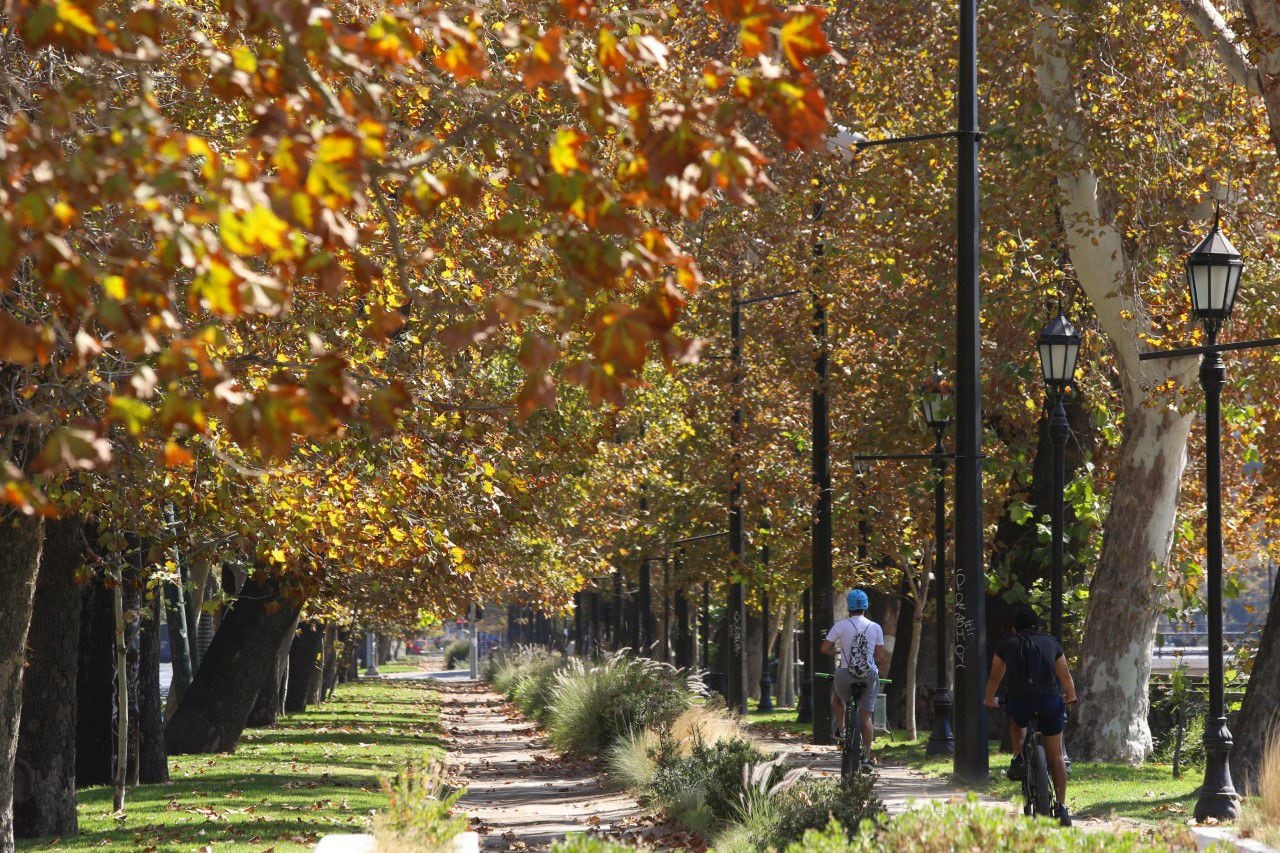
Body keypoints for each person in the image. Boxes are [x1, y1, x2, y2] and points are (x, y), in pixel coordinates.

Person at [984, 605, 1078, 827]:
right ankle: (1062, 808)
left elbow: (995, 678)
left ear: (1014, 629)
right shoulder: (1051, 642)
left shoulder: (1006, 644)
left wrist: (989, 700)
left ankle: (1018, 757)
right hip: (1050, 701)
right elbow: (1064, 675)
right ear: (1039, 627)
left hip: (1019, 701)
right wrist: (1071, 696)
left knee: (1017, 718)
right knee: (1056, 757)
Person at [820, 589, 888, 766]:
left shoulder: (840, 625)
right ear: (866, 607)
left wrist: (840, 651)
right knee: (866, 718)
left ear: (849, 607)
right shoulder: (875, 627)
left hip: (845, 675)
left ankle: (842, 730)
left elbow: (824, 649)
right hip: (869, 675)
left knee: (837, 697)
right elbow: (880, 656)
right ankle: (866, 757)